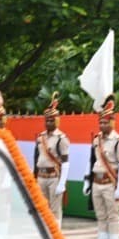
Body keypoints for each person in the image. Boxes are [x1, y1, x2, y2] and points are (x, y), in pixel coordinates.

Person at [87, 94, 119, 239]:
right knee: (100, 214)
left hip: (110, 182)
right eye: (100, 122)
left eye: (105, 122)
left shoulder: (118, 141)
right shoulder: (97, 140)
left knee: (113, 215)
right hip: (97, 181)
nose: (102, 125)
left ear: (112, 122)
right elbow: (92, 160)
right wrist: (87, 181)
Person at [33, 93, 70, 225]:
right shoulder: (40, 137)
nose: (48, 123)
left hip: (54, 177)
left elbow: (65, 162)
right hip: (41, 176)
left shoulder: (61, 139)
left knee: (54, 209)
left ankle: (55, 236)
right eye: (47, 120)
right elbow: (36, 158)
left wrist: (62, 183)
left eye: (51, 120)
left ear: (57, 121)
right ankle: (44, 236)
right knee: (42, 208)